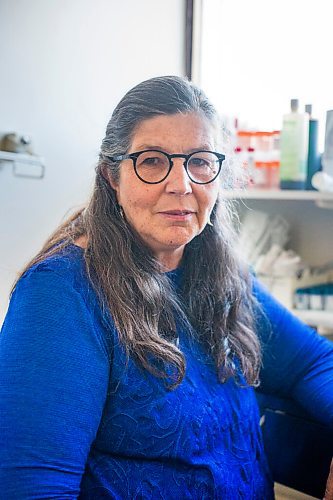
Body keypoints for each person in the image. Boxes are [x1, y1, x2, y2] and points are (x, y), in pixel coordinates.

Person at [0, 75, 332, 499]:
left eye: (199, 161)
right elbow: (31, 490)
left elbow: (313, 362)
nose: (182, 184)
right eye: (153, 160)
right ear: (111, 177)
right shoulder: (62, 295)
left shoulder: (219, 273)